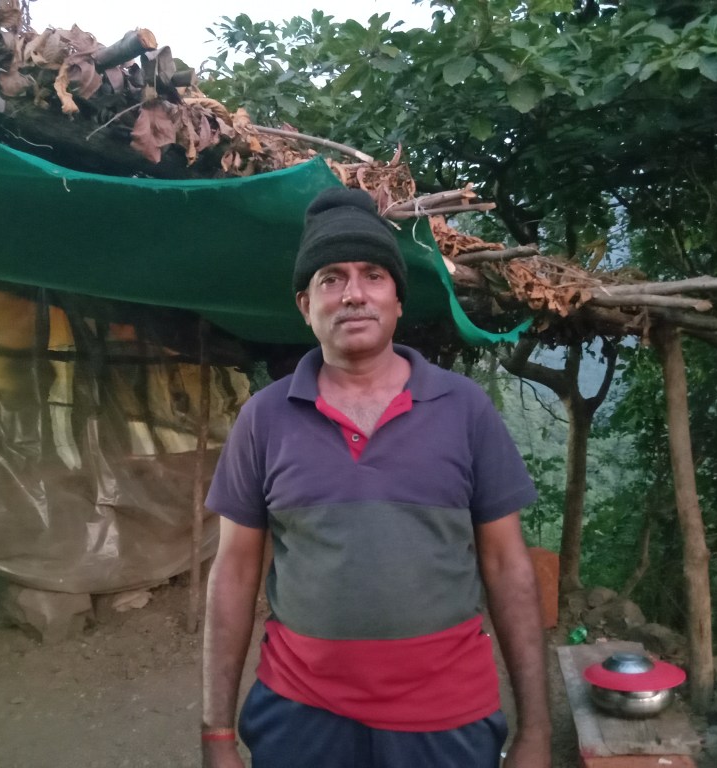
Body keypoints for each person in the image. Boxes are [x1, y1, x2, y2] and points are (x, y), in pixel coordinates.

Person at [200, 187, 551, 768]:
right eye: (331, 278)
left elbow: (507, 567)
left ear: (397, 300)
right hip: (300, 716)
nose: (353, 294)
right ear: (305, 305)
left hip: (447, 715)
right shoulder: (263, 419)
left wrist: (536, 730)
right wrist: (215, 733)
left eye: (373, 275)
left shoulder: (465, 410)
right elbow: (234, 572)